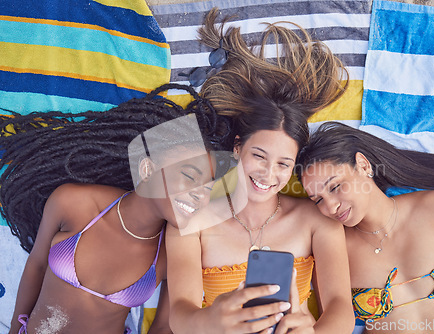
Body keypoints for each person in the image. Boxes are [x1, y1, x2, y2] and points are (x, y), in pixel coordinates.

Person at [162, 8, 355, 334]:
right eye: (259, 156)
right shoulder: (191, 219)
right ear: (237, 149)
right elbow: (180, 314)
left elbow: (340, 309)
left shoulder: (317, 221)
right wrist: (211, 319)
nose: (268, 174)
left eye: (283, 164)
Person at [2, 84, 231, 334]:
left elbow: (165, 325)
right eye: (190, 176)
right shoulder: (73, 203)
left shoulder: (173, 251)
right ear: (147, 169)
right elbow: (36, 265)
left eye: (209, 188)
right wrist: (16, 328)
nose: (200, 193)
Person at [297, 121, 434, 333]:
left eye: (335, 186)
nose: (330, 206)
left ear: (364, 165)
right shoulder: (334, 246)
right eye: (317, 200)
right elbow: (333, 320)